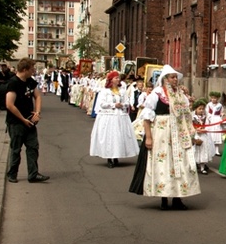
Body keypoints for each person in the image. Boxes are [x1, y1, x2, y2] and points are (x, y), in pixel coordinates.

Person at [129, 65, 199, 211]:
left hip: (178, 133)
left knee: (180, 164)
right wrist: (148, 137)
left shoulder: (181, 95)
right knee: (163, 165)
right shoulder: (157, 93)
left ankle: (178, 198)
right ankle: (164, 198)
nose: (175, 80)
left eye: (176, 77)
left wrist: (191, 134)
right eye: (172, 77)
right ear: (165, 79)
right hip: (161, 133)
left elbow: (186, 116)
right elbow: (147, 117)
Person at [5, 58, 49, 183]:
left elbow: (38, 96)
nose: (34, 71)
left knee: (33, 147)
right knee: (16, 149)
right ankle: (12, 174)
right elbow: (9, 104)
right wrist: (23, 119)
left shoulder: (30, 81)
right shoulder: (13, 83)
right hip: (16, 122)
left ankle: (33, 174)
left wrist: (37, 113)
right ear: (24, 70)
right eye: (32, 69)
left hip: (30, 121)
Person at [89, 71, 139, 168]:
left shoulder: (122, 91)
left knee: (119, 136)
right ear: (111, 80)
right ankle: (109, 157)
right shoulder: (105, 91)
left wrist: (122, 105)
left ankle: (116, 155)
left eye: (118, 78)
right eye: (116, 78)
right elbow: (102, 104)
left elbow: (127, 101)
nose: (118, 79)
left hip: (120, 116)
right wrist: (113, 105)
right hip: (109, 117)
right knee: (110, 137)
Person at [191, 99, 216, 174]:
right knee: (195, 151)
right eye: (199, 109)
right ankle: (194, 165)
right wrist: (196, 130)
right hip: (196, 136)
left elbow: (208, 125)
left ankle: (202, 167)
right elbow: (190, 126)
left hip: (204, 136)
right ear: (195, 109)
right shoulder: (193, 117)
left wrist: (205, 129)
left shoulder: (206, 117)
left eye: (203, 109)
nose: (201, 110)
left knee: (203, 151)